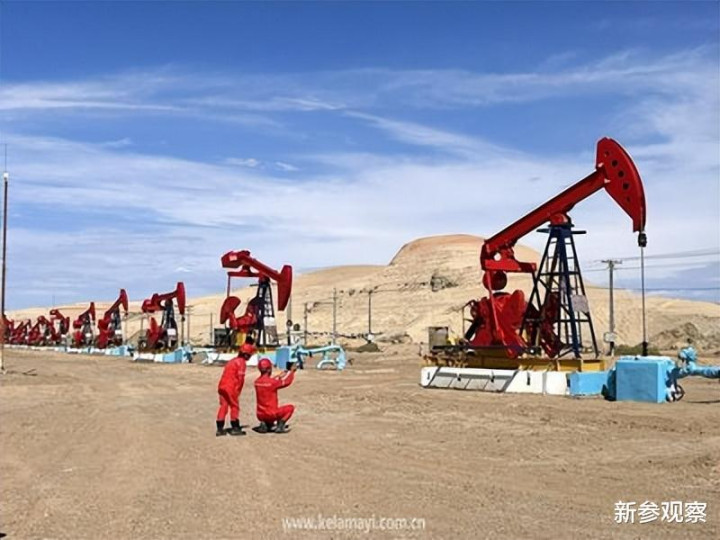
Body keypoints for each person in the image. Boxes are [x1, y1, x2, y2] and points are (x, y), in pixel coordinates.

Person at [215, 342, 256, 436]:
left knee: (223, 406)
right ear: (246, 355)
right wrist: (237, 391)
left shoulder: (232, 361)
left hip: (222, 386)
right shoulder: (241, 363)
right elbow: (240, 379)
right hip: (231, 387)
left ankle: (220, 429)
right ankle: (235, 427)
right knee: (234, 406)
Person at [253, 358, 297, 434]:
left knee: (268, 417)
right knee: (290, 408)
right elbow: (287, 382)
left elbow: (268, 383)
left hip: (260, 415)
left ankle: (265, 424)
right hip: (271, 413)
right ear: (269, 369)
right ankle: (280, 426)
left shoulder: (256, 382)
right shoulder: (272, 383)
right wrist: (292, 372)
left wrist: (279, 376)